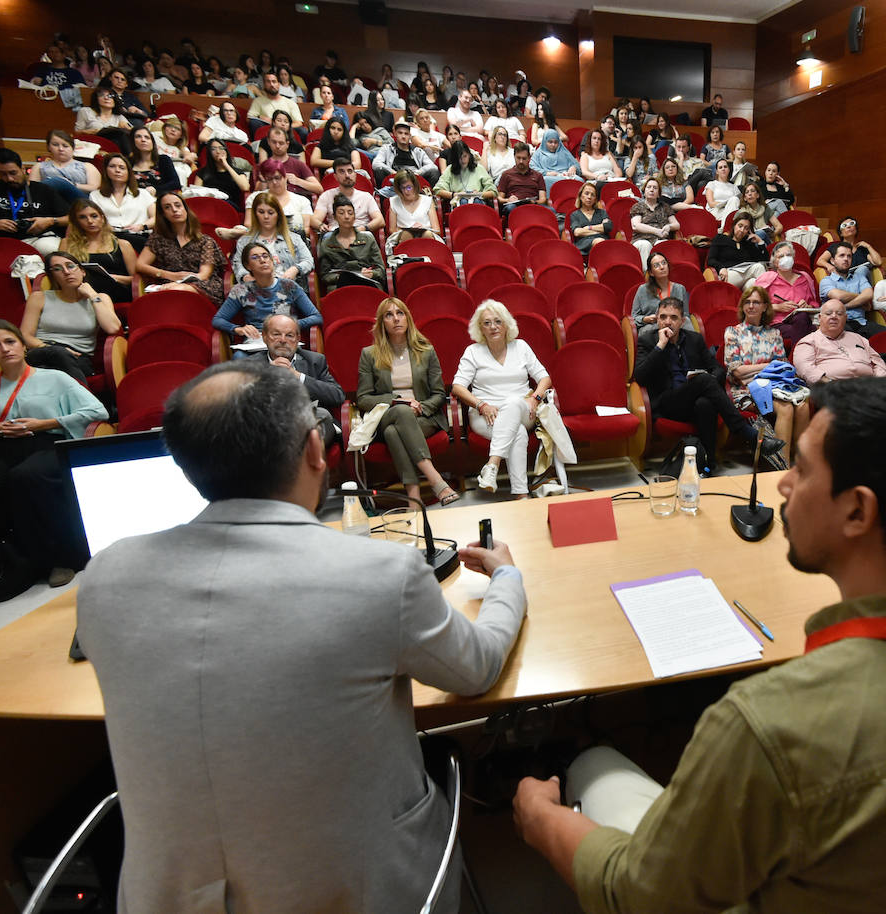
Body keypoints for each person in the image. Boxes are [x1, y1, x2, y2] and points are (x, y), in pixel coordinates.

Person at [514, 375, 886, 913]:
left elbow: (634, 896)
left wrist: (542, 820)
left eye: (801, 469)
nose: (782, 483)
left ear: (858, 510)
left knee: (595, 767)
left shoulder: (766, 724)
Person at [75, 358, 524, 913]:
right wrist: (506, 578)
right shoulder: (380, 574)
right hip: (360, 891)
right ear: (316, 451)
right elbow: (476, 668)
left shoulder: (104, 579)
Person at [0, 317, 108, 588]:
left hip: (47, 442)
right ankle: (6, 559)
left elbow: (98, 411)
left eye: (9, 341)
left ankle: (60, 558)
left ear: (22, 344)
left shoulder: (54, 378)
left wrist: (47, 423)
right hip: (0, 445)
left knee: (26, 477)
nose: (4, 349)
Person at [633, 298, 782, 473]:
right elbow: (639, 377)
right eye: (663, 317)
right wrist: (660, 346)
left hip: (694, 400)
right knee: (703, 381)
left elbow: (717, 369)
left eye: (673, 317)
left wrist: (708, 378)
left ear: (682, 321)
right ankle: (746, 432)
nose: (667, 322)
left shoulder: (694, 339)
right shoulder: (648, 341)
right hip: (667, 403)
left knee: (705, 402)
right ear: (657, 318)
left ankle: (708, 465)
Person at [357, 298, 460, 505]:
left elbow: (439, 394)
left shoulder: (426, 351)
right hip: (387, 414)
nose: (396, 319)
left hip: (424, 417)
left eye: (400, 313)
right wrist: (398, 402)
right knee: (401, 414)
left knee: (392, 433)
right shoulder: (369, 355)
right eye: (389, 315)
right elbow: (363, 398)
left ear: (407, 318)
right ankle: (436, 481)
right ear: (382, 322)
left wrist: (421, 408)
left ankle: (413, 498)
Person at [451, 300, 557, 499]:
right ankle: (521, 494)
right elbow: (458, 387)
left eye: (498, 321)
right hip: (486, 415)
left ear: (507, 324)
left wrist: (535, 398)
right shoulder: (473, 352)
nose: (493, 327)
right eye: (487, 323)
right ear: (480, 328)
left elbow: (545, 378)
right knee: (517, 432)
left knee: (514, 402)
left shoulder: (521, 347)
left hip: (524, 409)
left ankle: (492, 464)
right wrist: (481, 405)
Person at [724, 285, 809, 463]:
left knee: (803, 406)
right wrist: (769, 366)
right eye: (747, 302)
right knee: (785, 408)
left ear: (765, 307)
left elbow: (783, 366)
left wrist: (756, 369)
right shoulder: (733, 332)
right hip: (745, 391)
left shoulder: (774, 333)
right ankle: (781, 463)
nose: (751, 306)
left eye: (756, 302)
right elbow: (737, 371)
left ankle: (798, 458)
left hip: (775, 387)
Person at [19, 251, 122, 383]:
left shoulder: (100, 298)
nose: (66, 272)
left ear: (82, 271)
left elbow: (112, 328)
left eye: (70, 266)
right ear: (52, 276)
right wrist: (48, 348)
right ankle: (86, 400)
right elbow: (25, 335)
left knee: (51, 373)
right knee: (57, 355)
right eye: (57, 269)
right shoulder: (39, 297)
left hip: (78, 358)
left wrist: (92, 296)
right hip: (42, 351)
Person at [215, 242, 321, 347]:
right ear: (248, 266)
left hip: (285, 339)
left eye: (265, 256)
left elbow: (316, 317)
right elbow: (218, 320)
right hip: (256, 340)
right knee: (238, 358)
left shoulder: (289, 286)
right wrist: (237, 329)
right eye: (255, 257)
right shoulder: (241, 290)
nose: (262, 260)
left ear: (272, 260)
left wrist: (290, 325)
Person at [136, 190, 226, 303]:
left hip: (202, 285)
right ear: (163, 214)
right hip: (168, 284)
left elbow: (204, 275)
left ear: (185, 209)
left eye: (178, 205)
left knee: (178, 291)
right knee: (170, 292)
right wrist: (169, 275)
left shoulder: (205, 241)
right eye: (167, 207)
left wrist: (179, 283)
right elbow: (140, 265)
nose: (174, 209)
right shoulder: (158, 239)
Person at [0, 148, 69, 254]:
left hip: (40, 239)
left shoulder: (43, 190)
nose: (9, 178)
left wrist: (49, 221)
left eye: (13, 173)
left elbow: (71, 218)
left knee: (52, 252)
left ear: (23, 169)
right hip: (7, 241)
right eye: (3, 174)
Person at [793, 300, 886, 384]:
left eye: (839, 314)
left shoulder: (859, 338)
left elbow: (878, 363)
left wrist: (882, 382)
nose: (834, 317)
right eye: (828, 313)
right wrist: (829, 383)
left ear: (845, 318)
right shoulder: (808, 341)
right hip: (834, 389)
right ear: (819, 318)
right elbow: (805, 368)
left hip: (869, 385)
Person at [59, 199, 139, 303]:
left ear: (102, 218)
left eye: (94, 216)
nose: (90, 221)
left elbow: (137, 280)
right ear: (76, 222)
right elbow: (59, 273)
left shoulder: (123, 244)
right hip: (81, 292)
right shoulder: (67, 243)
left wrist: (114, 278)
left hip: (115, 291)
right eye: (82, 217)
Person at [231, 193, 312, 287]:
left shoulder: (293, 238)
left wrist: (295, 269)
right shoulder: (245, 241)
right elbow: (238, 265)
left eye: (270, 212)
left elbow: (308, 260)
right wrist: (245, 276)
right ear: (255, 214)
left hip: (288, 289)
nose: (266, 217)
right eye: (261, 212)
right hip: (256, 289)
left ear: (278, 214)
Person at [754, 241, 820, 345]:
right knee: (809, 330)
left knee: (802, 316)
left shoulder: (805, 278)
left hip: (801, 320)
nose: (785, 258)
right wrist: (777, 307)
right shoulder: (767, 278)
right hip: (776, 323)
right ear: (775, 262)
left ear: (793, 258)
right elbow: (753, 304)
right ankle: (800, 356)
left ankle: (796, 357)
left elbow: (814, 305)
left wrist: (807, 306)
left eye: (788, 255)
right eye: (781, 256)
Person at [318, 197, 385, 295]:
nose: (346, 216)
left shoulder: (368, 239)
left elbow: (380, 269)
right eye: (341, 213)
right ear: (335, 217)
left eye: (350, 213)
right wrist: (340, 277)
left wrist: (372, 274)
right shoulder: (327, 243)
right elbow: (325, 275)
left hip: (366, 281)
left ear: (354, 217)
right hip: (339, 285)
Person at [89, 153, 155, 243]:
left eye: (122, 167)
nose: (117, 170)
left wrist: (142, 226)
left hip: (139, 235)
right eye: (112, 166)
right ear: (106, 170)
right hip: (109, 237)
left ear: (128, 172)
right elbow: (93, 219)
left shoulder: (143, 193)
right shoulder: (95, 195)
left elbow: (155, 217)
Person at [819, 241, 880, 338]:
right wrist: (861, 299)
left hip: (862, 323)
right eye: (841, 256)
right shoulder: (827, 281)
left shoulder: (859, 278)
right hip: (839, 325)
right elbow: (839, 296)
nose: (846, 259)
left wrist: (843, 306)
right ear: (832, 260)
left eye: (849, 256)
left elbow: (868, 294)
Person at [312, 159, 384, 234]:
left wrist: (363, 228)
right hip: (335, 234)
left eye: (350, 171)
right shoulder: (327, 195)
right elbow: (314, 220)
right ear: (335, 176)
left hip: (361, 233)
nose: (347, 175)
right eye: (342, 172)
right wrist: (321, 225)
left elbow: (380, 220)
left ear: (355, 175)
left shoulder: (366, 196)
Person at [29, 130, 100, 204]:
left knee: (58, 182)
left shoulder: (87, 166)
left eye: (65, 146)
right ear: (48, 147)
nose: (60, 149)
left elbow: (94, 188)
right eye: (55, 145)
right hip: (49, 202)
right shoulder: (39, 166)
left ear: (73, 148)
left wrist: (71, 184)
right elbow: (33, 190)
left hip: (79, 203)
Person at [628, 252, 688, 332]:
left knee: (688, 324)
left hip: (676, 329)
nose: (662, 267)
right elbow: (633, 318)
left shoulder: (680, 289)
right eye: (656, 265)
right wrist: (646, 319)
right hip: (652, 329)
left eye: (664, 263)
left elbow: (685, 316)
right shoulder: (642, 290)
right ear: (651, 273)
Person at [706, 213, 768, 288]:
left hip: (744, 279)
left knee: (753, 283)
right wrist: (721, 268)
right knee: (758, 267)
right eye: (740, 226)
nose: (742, 230)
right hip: (728, 275)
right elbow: (710, 259)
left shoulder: (748, 244)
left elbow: (764, 261)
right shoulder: (720, 238)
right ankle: (771, 298)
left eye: (746, 228)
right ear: (734, 225)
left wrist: (760, 242)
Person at [627, 177, 679, 267]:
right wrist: (657, 231)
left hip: (660, 239)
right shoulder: (638, 206)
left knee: (662, 244)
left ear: (658, 193)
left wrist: (669, 227)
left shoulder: (665, 207)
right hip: (641, 239)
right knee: (645, 245)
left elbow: (676, 224)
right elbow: (636, 226)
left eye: (655, 188)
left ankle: (662, 274)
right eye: (649, 187)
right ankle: (647, 275)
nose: (651, 190)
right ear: (644, 191)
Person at [255, 127, 319, 197]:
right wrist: (264, 182)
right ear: (269, 142)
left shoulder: (298, 164)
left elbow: (318, 188)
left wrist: (298, 181)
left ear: (287, 144)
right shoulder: (265, 165)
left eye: (281, 143)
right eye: (274, 142)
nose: (277, 146)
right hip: (271, 200)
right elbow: (256, 193)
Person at [373, 120, 441, 186]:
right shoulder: (386, 148)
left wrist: (418, 173)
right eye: (400, 133)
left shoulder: (417, 151)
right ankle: (382, 196)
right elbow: (376, 164)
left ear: (410, 136)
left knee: (434, 172)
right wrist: (392, 172)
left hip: (414, 179)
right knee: (379, 170)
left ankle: (428, 195)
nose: (403, 136)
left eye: (406, 134)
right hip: (394, 179)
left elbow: (432, 166)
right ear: (395, 134)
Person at [193, 138, 251, 213]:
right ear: (209, 153)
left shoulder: (237, 172)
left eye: (221, 148)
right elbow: (196, 194)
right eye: (213, 149)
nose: (218, 151)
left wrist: (226, 164)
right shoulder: (202, 172)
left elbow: (245, 187)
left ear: (226, 151)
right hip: (210, 206)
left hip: (230, 206)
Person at [388, 169, 441, 247]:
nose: (406, 191)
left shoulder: (427, 200)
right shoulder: (394, 201)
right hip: (402, 236)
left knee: (427, 234)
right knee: (406, 235)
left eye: (409, 187)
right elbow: (392, 230)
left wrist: (423, 228)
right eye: (403, 188)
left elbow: (437, 229)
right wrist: (405, 230)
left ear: (415, 186)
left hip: (426, 233)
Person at [496, 143, 547, 216]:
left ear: (529, 158)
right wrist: (508, 200)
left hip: (533, 205)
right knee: (511, 208)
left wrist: (535, 202)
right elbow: (500, 198)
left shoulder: (538, 175)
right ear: (514, 157)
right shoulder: (506, 174)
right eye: (518, 158)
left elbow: (543, 199)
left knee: (551, 210)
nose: (521, 161)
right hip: (514, 205)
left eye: (524, 158)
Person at [816, 216, 882, 272]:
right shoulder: (836, 246)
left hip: (861, 282)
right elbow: (820, 260)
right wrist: (829, 266)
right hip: (843, 279)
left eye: (851, 224)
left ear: (856, 229)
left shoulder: (862, 248)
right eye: (844, 226)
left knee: (862, 270)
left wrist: (868, 246)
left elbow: (878, 262)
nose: (849, 227)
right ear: (841, 233)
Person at [128, 126, 181, 196]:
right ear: (132, 141)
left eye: (147, 137)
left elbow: (175, 183)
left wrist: (156, 189)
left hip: (158, 199)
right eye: (138, 137)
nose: (143, 140)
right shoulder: (127, 162)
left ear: (152, 142)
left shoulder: (163, 160)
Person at [568, 181, 611, 258]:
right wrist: (599, 230)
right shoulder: (575, 214)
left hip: (603, 240)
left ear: (595, 199)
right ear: (581, 196)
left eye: (593, 195)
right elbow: (577, 232)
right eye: (586, 193)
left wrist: (589, 228)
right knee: (600, 241)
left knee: (602, 242)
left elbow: (608, 226)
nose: (589, 197)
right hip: (584, 243)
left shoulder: (602, 212)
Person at [735, 181, 782, 245]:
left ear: (757, 195)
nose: (750, 194)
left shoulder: (765, 209)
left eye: (752, 191)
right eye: (747, 192)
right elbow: (734, 231)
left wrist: (772, 234)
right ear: (745, 198)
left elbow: (779, 226)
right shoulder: (741, 212)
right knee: (759, 234)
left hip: (764, 239)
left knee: (762, 234)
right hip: (747, 241)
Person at [702, 158, 741, 227]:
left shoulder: (734, 186)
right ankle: (725, 228)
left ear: (729, 170)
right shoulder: (711, 184)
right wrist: (727, 203)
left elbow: (738, 203)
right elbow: (711, 203)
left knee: (735, 201)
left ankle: (723, 228)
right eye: (720, 167)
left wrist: (729, 204)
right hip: (715, 211)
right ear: (717, 171)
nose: (723, 169)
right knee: (733, 200)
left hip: (730, 210)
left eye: (725, 167)